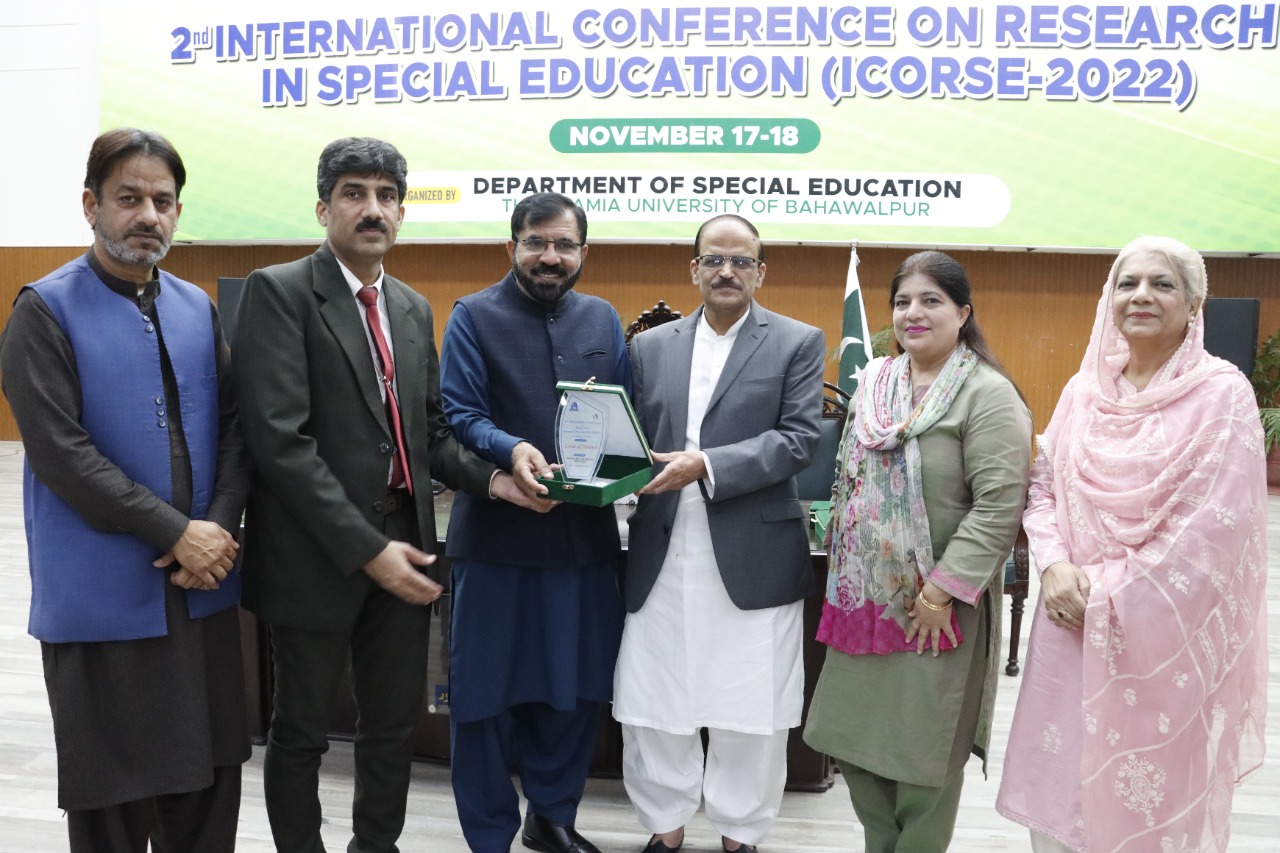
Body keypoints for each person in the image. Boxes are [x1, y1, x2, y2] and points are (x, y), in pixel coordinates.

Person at [232, 137, 543, 853]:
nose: (372, 209)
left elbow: (430, 434)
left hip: (408, 545)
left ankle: (376, 845)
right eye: (354, 193)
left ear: (402, 211)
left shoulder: (409, 305)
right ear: (324, 209)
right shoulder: (278, 291)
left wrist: (499, 477)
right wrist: (368, 550)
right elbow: (281, 443)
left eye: (386, 196)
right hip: (316, 555)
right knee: (302, 730)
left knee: (393, 724)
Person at [0, 128, 251, 852]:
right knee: (114, 804)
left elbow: (236, 428)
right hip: (101, 597)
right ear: (91, 205)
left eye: (162, 202)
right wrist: (177, 533)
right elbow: (62, 455)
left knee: (207, 792)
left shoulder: (196, 307)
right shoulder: (43, 311)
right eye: (129, 198)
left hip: (201, 589)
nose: (148, 216)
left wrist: (217, 529)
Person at [996, 236, 1269, 853]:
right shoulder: (1084, 389)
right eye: (1127, 283)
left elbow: (1211, 535)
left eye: (1162, 283)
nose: (1141, 295)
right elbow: (1042, 487)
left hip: (1159, 640)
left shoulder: (1222, 395)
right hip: (1066, 622)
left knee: (1142, 801)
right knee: (1059, 801)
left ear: (1194, 303)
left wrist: (1101, 593)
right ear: (1109, 298)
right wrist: (1054, 565)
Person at [803, 250, 1031, 853]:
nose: (913, 313)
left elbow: (999, 506)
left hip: (937, 612)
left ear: (963, 312)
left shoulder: (986, 395)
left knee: (923, 759)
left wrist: (940, 592)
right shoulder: (874, 387)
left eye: (932, 300)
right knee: (856, 745)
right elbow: (849, 483)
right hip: (864, 603)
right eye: (903, 301)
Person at [613, 214, 825, 853]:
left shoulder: (797, 341)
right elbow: (632, 439)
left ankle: (740, 833)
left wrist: (705, 464)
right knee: (655, 695)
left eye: (740, 261)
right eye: (713, 259)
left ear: (761, 271)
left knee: (751, 704)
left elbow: (800, 439)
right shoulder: (650, 347)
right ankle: (665, 828)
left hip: (753, 551)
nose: (726, 271)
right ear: (694, 269)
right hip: (662, 546)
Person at [438, 191, 629, 853]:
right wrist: (511, 449)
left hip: (582, 543)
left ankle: (551, 817)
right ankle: (488, 835)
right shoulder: (472, 316)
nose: (551, 256)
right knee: (482, 697)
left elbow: (621, 414)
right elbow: (459, 414)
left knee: (574, 691)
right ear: (511, 246)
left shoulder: (603, 319)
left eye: (564, 245)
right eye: (537, 243)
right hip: (496, 540)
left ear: (583, 251)